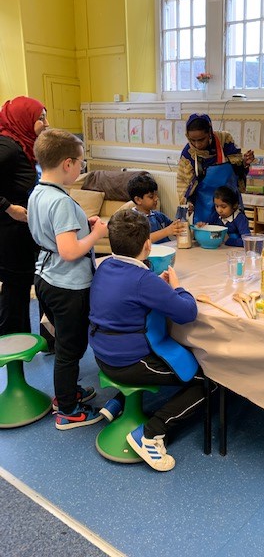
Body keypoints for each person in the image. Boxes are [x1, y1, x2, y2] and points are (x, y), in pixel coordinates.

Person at [88, 209, 209, 471]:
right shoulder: (143, 281)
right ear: (148, 245)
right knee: (208, 381)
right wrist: (176, 287)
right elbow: (187, 312)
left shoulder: (104, 265)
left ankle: (118, 401)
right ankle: (152, 433)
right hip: (128, 363)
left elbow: (128, 290)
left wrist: (156, 284)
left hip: (100, 353)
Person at [27, 129, 109, 429]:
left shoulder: (39, 192)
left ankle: (67, 393)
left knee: (65, 344)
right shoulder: (61, 201)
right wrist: (96, 233)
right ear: (67, 163)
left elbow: (52, 231)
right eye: (81, 162)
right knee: (70, 349)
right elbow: (70, 250)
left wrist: (81, 224)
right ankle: (68, 409)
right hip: (67, 285)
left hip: (45, 277)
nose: (81, 168)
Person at [0, 96, 49, 335]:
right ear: (23, 119)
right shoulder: (8, 147)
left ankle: (31, 340)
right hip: (11, 233)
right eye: (41, 119)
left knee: (26, 286)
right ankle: (12, 345)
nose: (46, 124)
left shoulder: (22, 144)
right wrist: (9, 207)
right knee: (16, 291)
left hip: (24, 231)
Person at [176, 113, 255, 222]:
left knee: (233, 229)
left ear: (209, 132)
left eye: (201, 139)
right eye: (192, 140)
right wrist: (188, 203)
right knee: (205, 231)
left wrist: (244, 162)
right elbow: (185, 186)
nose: (197, 144)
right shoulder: (188, 154)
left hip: (229, 204)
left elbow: (237, 168)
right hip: (203, 208)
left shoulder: (224, 141)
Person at [127, 173, 183, 244]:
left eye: (156, 195)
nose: (156, 198)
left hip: (166, 248)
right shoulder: (132, 220)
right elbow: (141, 241)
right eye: (151, 196)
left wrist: (181, 225)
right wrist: (167, 231)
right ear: (138, 200)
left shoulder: (159, 216)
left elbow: (174, 229)